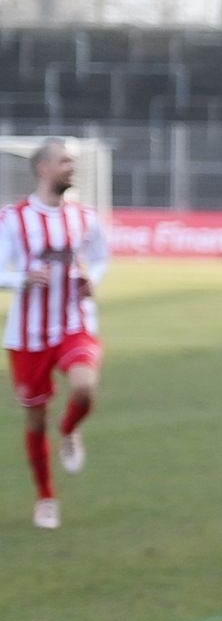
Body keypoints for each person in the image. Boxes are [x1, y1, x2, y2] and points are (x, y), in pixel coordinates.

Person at [1, 139, 108, 531]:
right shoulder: (14, 218)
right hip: (28, 336)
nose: (71, 167)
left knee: (84, 388)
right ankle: (46, 497)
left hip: (73, 323)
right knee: (34, 420)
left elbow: (100, 257)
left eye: (72, 161)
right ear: (42, 168)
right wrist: (21, 279)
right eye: (64, 161)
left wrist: (92, 279)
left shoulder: (84, 217)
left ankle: (69, 430)